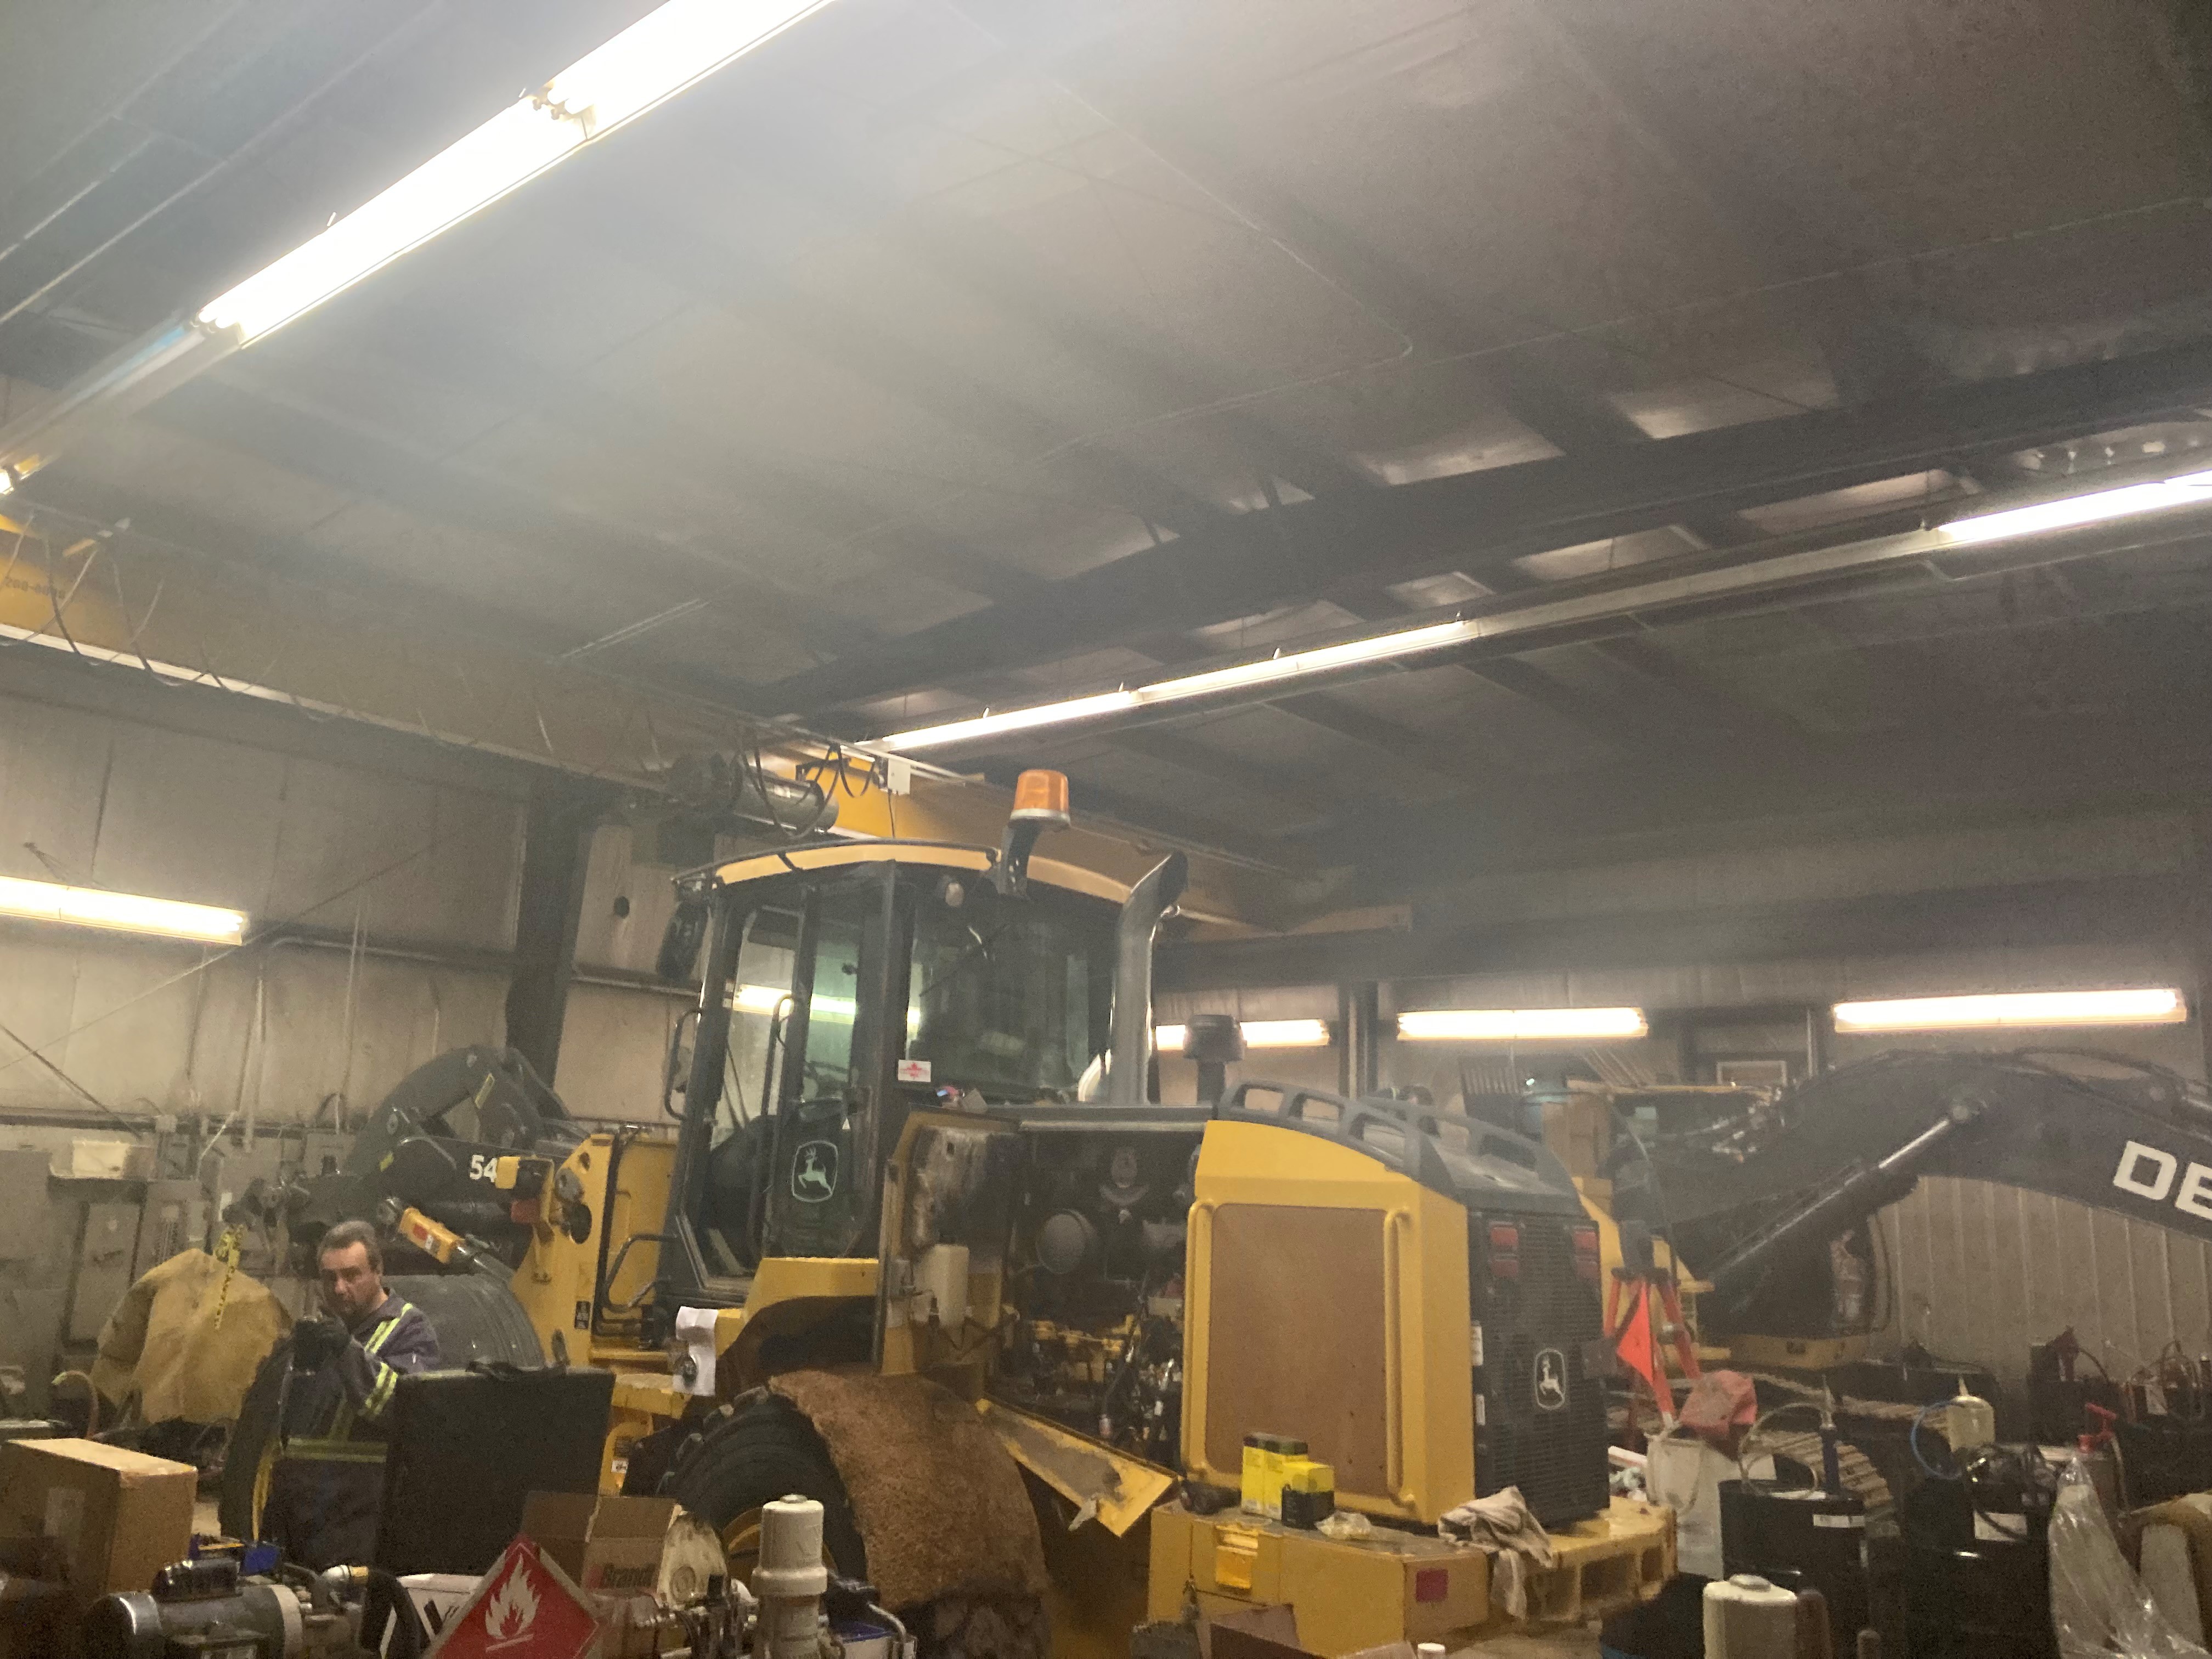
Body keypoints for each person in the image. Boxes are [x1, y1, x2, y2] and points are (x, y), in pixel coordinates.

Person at [259, 1219, 441, 1568]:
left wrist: (348, 1351)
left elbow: (403, 1409)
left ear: (378, 1271)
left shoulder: (409, 1329)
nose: (339, 1288)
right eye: (329, 1278)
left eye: (351, 1275)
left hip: (358, 1518)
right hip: (300, 1513)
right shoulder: (324, 1332)